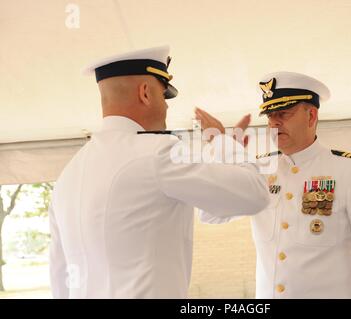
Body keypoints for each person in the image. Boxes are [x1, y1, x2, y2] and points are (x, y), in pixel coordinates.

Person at [49, 46, 270, 298]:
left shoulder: (69, 173)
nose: (166, 108)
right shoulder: (159, 153)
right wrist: (222, 142)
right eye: (164, 97)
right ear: (145, 93)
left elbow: (58, 273)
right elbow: (255, 193)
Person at [200, 71, 351, 298]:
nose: (274, 122)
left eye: (284, 113)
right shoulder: (260, 170)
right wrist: (224, 162)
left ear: (311, 116)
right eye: (270, 116)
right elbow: (211, 214)